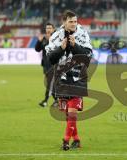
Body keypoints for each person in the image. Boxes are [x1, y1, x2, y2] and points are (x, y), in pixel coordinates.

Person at [45, 10, 92, 151]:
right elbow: (51, 59)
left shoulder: (82, 34)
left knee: (72, 111)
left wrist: (75, 46)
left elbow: (88, 56)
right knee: (67, 113)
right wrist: (61, 48)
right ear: (64, 22)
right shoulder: (55, 36)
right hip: (62, 77)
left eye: (75, 21)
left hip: (78, 76)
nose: (74, 24)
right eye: (71, 21)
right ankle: (76, 139)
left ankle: (65, 140)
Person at [35, 22, 58, 107]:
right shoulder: (44, 39)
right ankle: (58, 100)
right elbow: (37, 49)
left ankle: (45, 101)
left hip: (54, 64)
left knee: (49, 83)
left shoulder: (56, 39)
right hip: (46, 64)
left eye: (50, 28)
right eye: (47, 28)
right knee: (51, 83)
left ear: (53, 29)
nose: (48, 29)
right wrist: (39, 41)